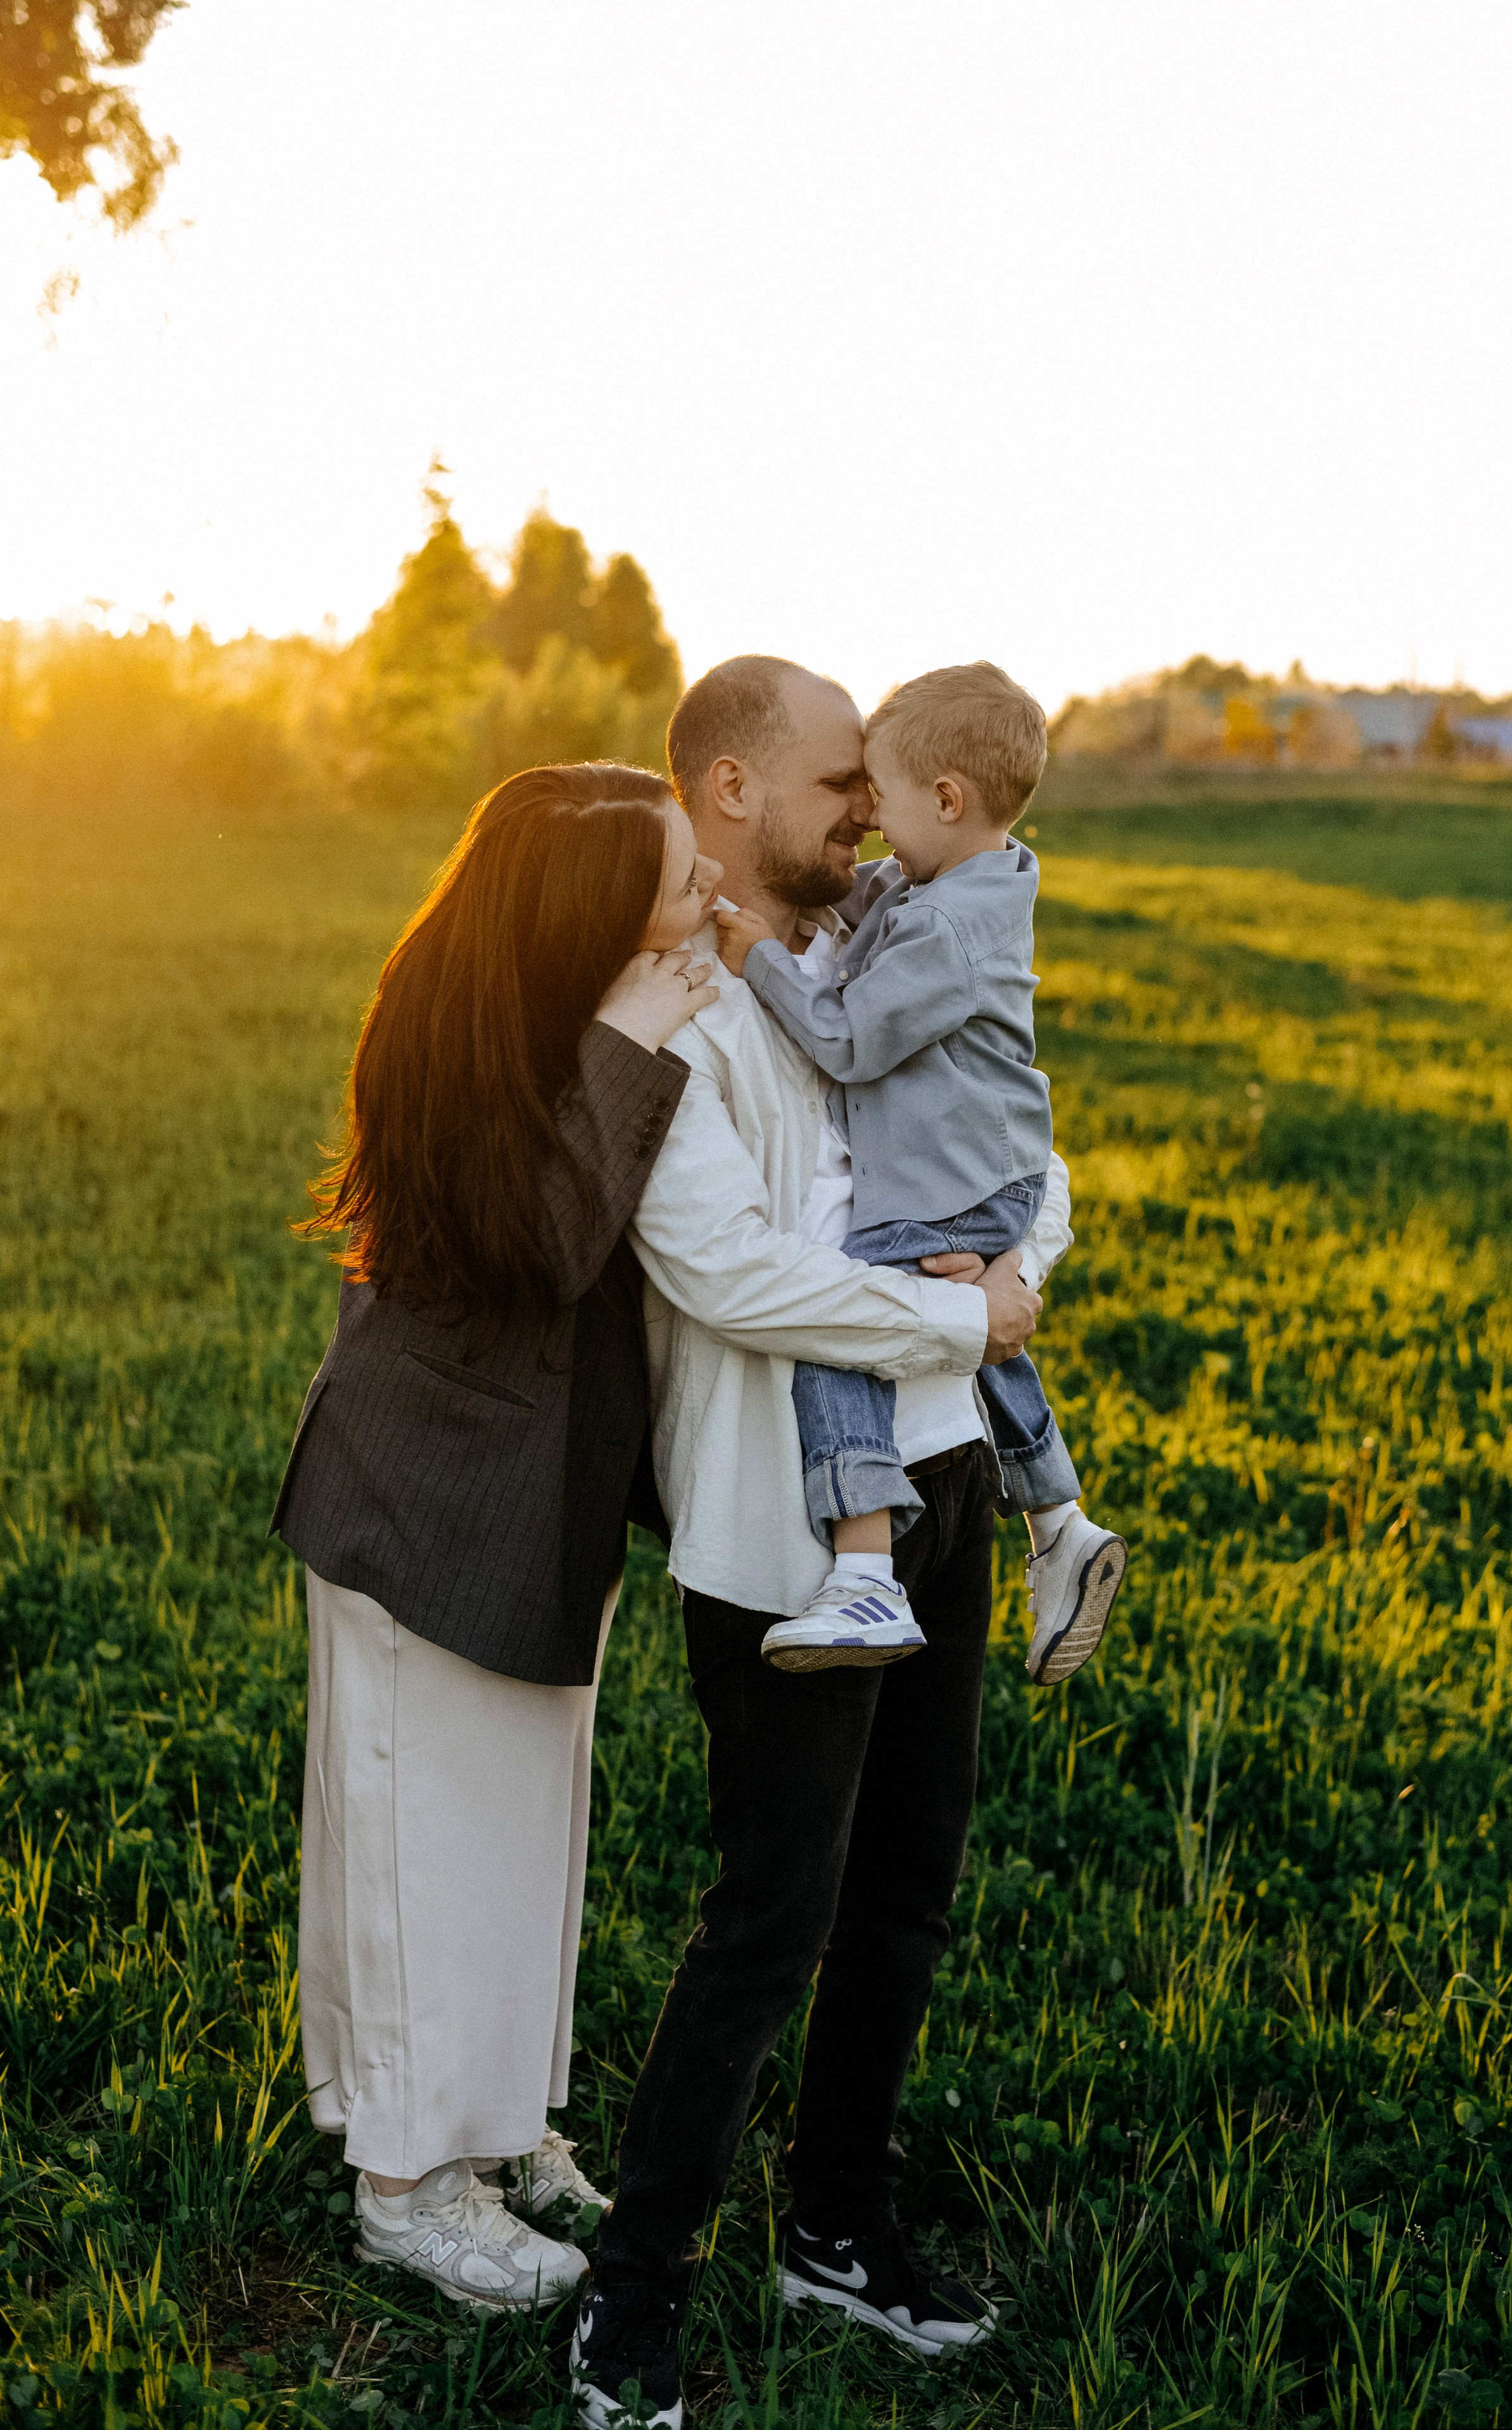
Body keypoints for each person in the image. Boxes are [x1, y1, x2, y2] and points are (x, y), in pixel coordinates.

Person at [568, 660, 1070, 2430]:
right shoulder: (681, 1014)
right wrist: (961, 1316)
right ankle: (632, 2295)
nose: (865, 806)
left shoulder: (891, 942)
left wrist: (1013, 1268)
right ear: (730, 790)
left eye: (874, 782)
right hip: (777, 1524)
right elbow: (729, 1274)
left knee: (906, 1891)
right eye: (837, 780)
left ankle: (838, 2230)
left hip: (940, 1483)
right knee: (768, 1921)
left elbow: (1028, 1144)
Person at [271, 762, 722, 2313]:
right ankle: (408, 2189)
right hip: (433, 1502)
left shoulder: (571, 1008)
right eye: (681, 885)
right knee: (429, 1847)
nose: (708, 905)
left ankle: (491, 2124)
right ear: (584, 924)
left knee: (517, 1835)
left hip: (532, 1499)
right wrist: (631, 1040)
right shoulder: (470, 1043)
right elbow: (545, 1244)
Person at [713, 660, 1128, 1684]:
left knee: (844, 1320)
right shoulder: (966, 876)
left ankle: (864, 1570)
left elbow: (849, 1042)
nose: (868, 817)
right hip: (989, 1171)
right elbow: (871, 899)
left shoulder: (942, 923)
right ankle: (1059, 1519)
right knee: (974, 1325)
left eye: (880, 795)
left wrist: (762, 957)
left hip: (956, 1178)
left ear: (945, 800)